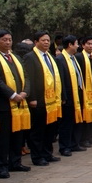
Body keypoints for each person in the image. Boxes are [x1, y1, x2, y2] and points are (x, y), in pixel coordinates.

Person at [0, 30, 31, 179]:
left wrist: (24, 93)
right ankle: (1, 166)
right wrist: (12, 94)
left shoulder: (15, 57)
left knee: (18, 135)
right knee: (2, 138)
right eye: (4, 40)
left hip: (19, 103)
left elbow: (26, 76)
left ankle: (15, 162)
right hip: (4, 104)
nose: (8, 42)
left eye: (10, 39)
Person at [24, 31, 62, 166]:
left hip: (51, 100)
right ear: (36, 42)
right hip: (38, 100)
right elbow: (29, 79)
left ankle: (47, 153)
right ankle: (37, 156)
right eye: (43, 40)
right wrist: (32, 98)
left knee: (50, 129)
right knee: (38, 130)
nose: (46, 42)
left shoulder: (50, 56)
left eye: (48, 40)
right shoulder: (30, 57)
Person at [55, 35, 86, 156]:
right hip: (68, 95)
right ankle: (64, 147)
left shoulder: (73, 58)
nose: (78, 46)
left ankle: (74, 143)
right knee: (66, 123)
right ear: (70, 45)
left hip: (77, 93)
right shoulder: (60, 59)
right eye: (76, 43)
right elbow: (60, 80)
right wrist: (63, 97)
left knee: (76, 120)